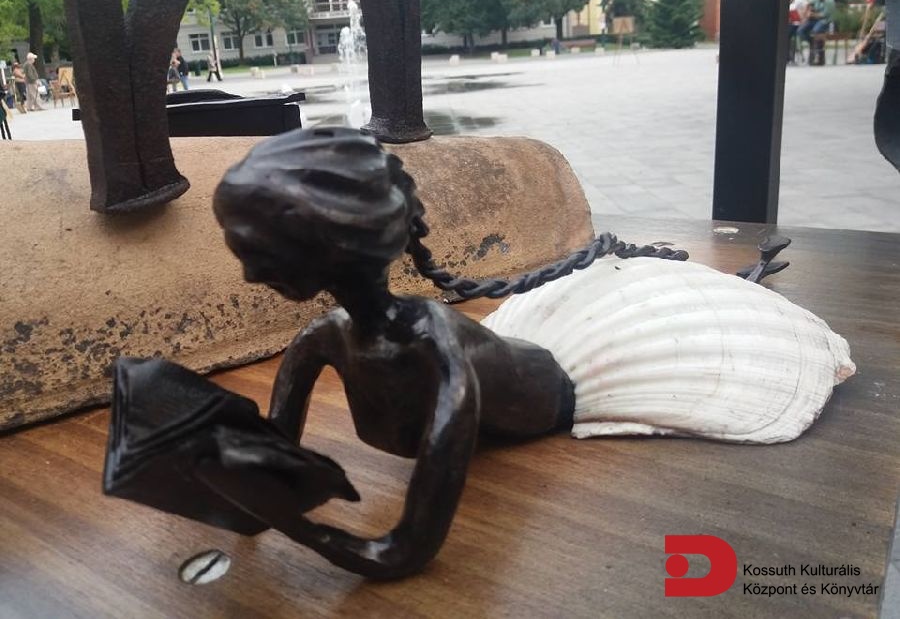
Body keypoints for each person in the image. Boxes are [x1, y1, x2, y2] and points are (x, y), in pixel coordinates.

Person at [105, 128, 853, 580]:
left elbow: (400, 554)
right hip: (521, 349)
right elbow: (274, 465)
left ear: (322, 248)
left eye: (253, 250)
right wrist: (195, 455)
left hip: (565, 385)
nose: (247, 273)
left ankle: (743, 281)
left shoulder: (442, 365)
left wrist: (283, 515)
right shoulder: (322, 339)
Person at [798, 0, 836, 66]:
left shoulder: (830, 1)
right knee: (801, 31)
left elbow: (824, 15)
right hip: (815, 20)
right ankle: (811, 41)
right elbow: (808, 2)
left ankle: (816, 52)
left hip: (825, 21)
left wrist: (812, 14)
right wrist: (806, 11)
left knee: (816, 31)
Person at [788, 0, 808, 64]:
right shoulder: (788, 0)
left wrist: (803, 15)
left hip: (799, 23)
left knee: (790, 34)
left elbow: (807, 5)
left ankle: (792, 57)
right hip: (792, 23)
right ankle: (789, 57)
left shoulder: (799, 0)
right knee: (786, 34)